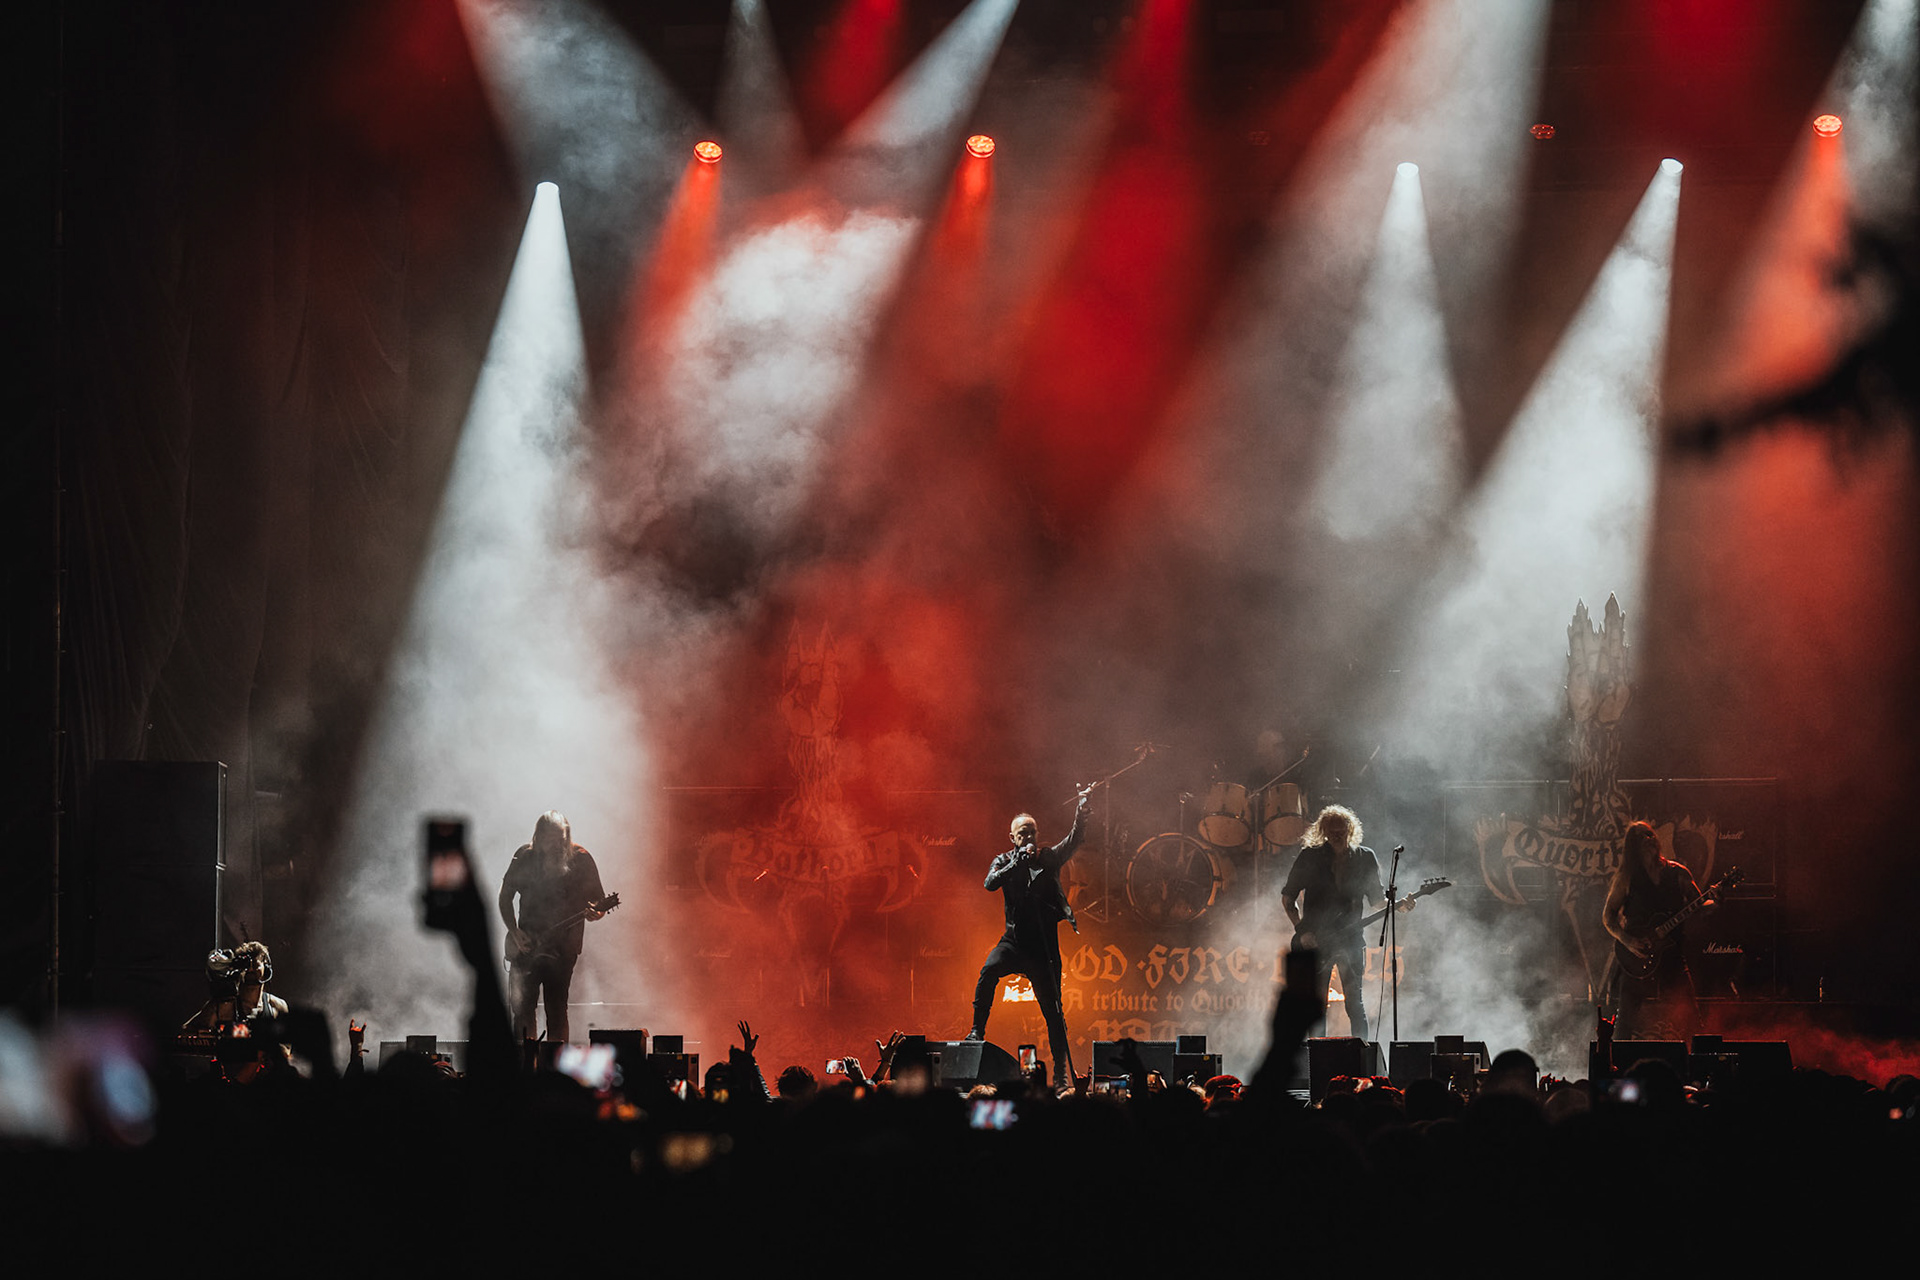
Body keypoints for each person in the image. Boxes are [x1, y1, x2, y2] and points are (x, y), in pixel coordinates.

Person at [967, 789, 1092, 1083]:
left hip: (1042, 949)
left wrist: (1082, 812)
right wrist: (1017, 864)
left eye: (1032, 832)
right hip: (1013, 942)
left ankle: (1060, 1073)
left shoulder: (1049, 858)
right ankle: (976, 1031)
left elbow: (1073, 840)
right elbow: (989, 883)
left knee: (1054, 1012)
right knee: (988, 971)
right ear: (1013, 838)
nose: (1029, 837)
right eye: (1023, 833)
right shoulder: (1003, 861)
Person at [1279, 804, 1409, 1043]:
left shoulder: (1365, 858)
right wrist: (1302, 931)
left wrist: (1399, 904)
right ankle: (1316, 1057)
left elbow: (1377, 901)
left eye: (1341, 830)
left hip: (1351, 940)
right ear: (1323, 831)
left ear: (1350, 829)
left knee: (1354, 1002)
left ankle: (1361, 1055)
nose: (1337, 835)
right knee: (1317, 1006)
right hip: (1316, 941)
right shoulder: (1310, 857)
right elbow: (1288, 898)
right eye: (1332, 831)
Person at [498, 811, 608, 1044]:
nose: (556, 845)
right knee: (522, 1010)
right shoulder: (525, 856)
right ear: (538, 837)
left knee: (556, 1009)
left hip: (563, 950)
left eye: (560, 839)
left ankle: (553, 1062)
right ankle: (524, 1061)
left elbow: (599, 904)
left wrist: (595, 913)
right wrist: (515, 932)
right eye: (550, 839)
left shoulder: (581, 859)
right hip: (526, 947)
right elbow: (505, 896)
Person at [1602, 820, 1708, 1039]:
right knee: (1625, 1022)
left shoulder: (1678, 872)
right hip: (1636, 956)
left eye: (1650, 834)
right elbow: (1608, 916)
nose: (1649, 839)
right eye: (1642, 836)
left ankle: (1699, 1058)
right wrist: (1628, 941)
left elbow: (1700, 905)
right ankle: (1616, 1059)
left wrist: (1714, 901)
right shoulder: (1627, 878)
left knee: (1690, 1016)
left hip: (1671, 954)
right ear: (1633, 845)